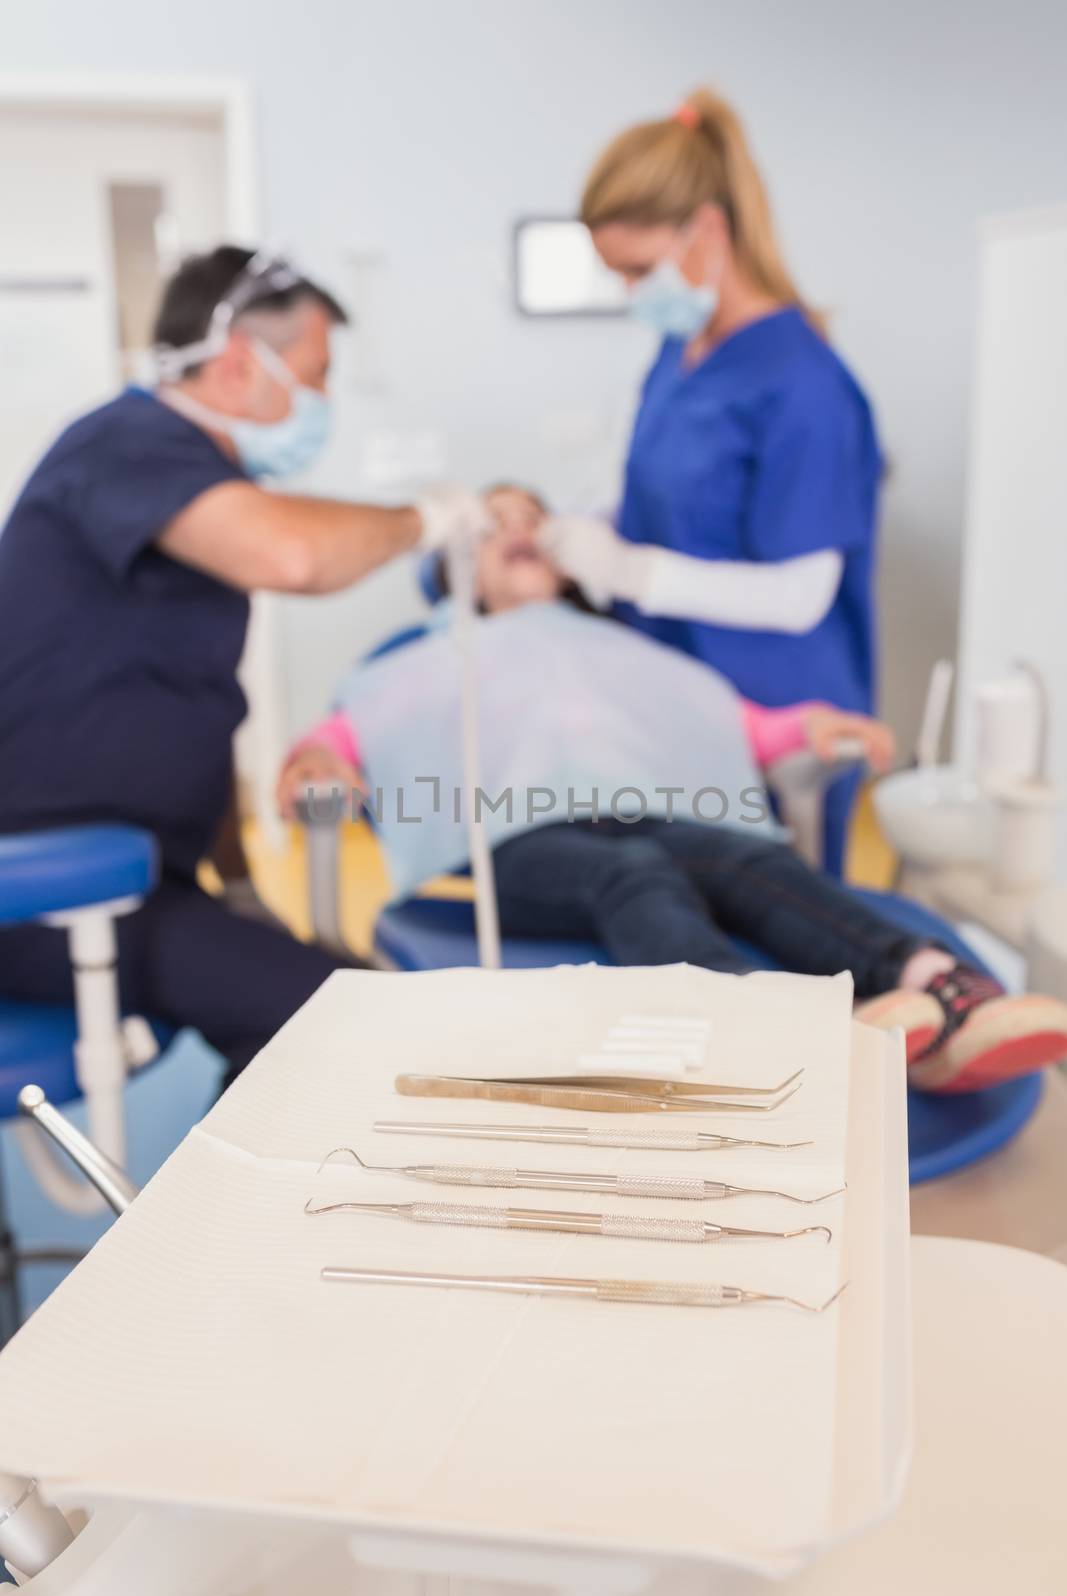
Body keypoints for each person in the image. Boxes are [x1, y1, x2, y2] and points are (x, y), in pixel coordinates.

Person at [279, 487, 1067, 1095]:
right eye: (491, 527)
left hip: (655, 818)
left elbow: (733, 726)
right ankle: (755, 1036)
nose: (518, 530)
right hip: (511, 850)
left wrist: (807, 726)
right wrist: (316, 759)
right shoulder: (427, 661)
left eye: (536, 521)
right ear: (454, 568)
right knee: (631, 877)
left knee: (750, 860)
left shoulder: (626, 652)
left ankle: (941, 990)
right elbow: (349, 735)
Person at [0, 245, 488, 1085]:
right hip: (51, 889)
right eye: (316, 373)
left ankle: (231, 1199)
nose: (323, 402)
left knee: (302, 1017)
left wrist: (239, 882)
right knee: (356, 1027)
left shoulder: (173, 471)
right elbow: (293, 554)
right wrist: (433, 516)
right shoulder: (126, 440)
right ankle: (212, 1217)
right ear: (237, 362)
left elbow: (173, 703)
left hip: (132, 878)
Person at [537, 89, 883, 874]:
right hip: (671, 693)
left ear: (709, 232)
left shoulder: (804, 385)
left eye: (636, 269)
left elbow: (801, 594)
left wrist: (627, 571)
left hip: (776, 708)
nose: (630, 294)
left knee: (769, 949)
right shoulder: (678, 352)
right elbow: (669, 501)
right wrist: (578, 530)